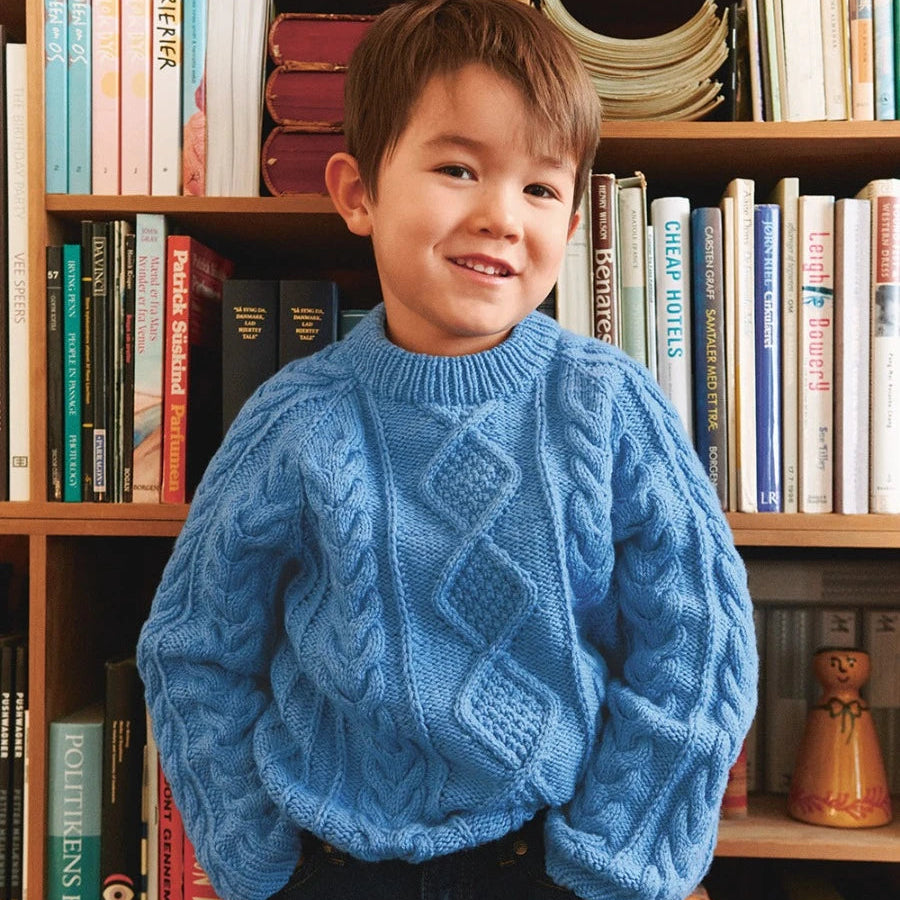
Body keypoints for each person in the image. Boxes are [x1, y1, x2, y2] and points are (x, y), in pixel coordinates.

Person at [137, 1, 758, 898]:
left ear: (572, 224)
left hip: (548, 863)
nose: (502, 215)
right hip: (329, 870)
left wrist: (617, 860)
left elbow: (698, 645)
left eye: (541, 188)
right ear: (358, 192)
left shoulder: (611, 406)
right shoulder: (292, 421)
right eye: (459, 169)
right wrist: (252, 855)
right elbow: (194, 647)